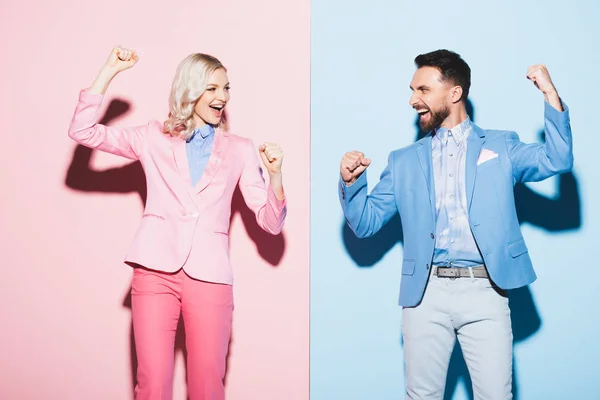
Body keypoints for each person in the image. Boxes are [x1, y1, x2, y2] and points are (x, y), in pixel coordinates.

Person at [338, 49, 572, 399]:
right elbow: (365, 223)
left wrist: (551, 96)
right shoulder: (402, 161)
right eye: (413, 90)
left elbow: (558, 158)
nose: (413, 100)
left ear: (454, 93)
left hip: (486, 289)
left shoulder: (501, 145)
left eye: (422, 90)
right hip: (424, 295)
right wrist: (352, 183)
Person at [68, 46, 287, 400]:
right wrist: (108, 71)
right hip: (154, 272)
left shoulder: (241, 148)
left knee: (207, 386)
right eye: (213, 88)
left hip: (211, 278)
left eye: (226, 88)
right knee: (152, 384)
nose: (222, 97)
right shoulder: (152, 136)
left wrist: (275, 177)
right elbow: (83, 131)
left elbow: (271, 223)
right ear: (191, 89)